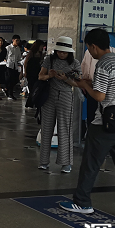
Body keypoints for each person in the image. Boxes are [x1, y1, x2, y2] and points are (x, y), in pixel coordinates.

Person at [60, 28, 115, 222]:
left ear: (94, 46)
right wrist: (84, 82)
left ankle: (82, 202)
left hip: (104, 125)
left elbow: (100, 96)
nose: (89, 52)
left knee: (90, 164)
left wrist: (85, 85)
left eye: (88, 48)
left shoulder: (103, 64)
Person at [37, 37, 81, 173]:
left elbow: (78, 83)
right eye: (59, 51)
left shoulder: (75, 63)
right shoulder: (49, 60)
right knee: (46, 128)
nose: (61, 54)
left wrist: (66, 79)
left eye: (64, 52)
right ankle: (43, 161)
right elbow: (40, 76)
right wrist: (50, 76)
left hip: (66, 96)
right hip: (49, 95)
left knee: (64, 129)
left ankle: (66, 163)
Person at [24, 40, 45, 108]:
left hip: (37, 72)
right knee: (32, 87)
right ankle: (30, 103)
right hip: (30, 72)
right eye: (41, 46)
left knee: (36, 87)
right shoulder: (31, 53)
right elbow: (25, 62)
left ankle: (32, 102)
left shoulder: (41, 53)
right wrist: (25, 72)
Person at [4, 35, 23, 100]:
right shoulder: (8, 48)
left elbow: (19, 57)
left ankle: (7, 90)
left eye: (18, 41)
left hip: (15, 66)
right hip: (9, 65)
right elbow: (5, 56)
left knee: (15, 80)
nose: (17, 42)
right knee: (9, 80)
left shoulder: (18, 49)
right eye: (16, 40)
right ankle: (10, 93)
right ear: (13, 40)